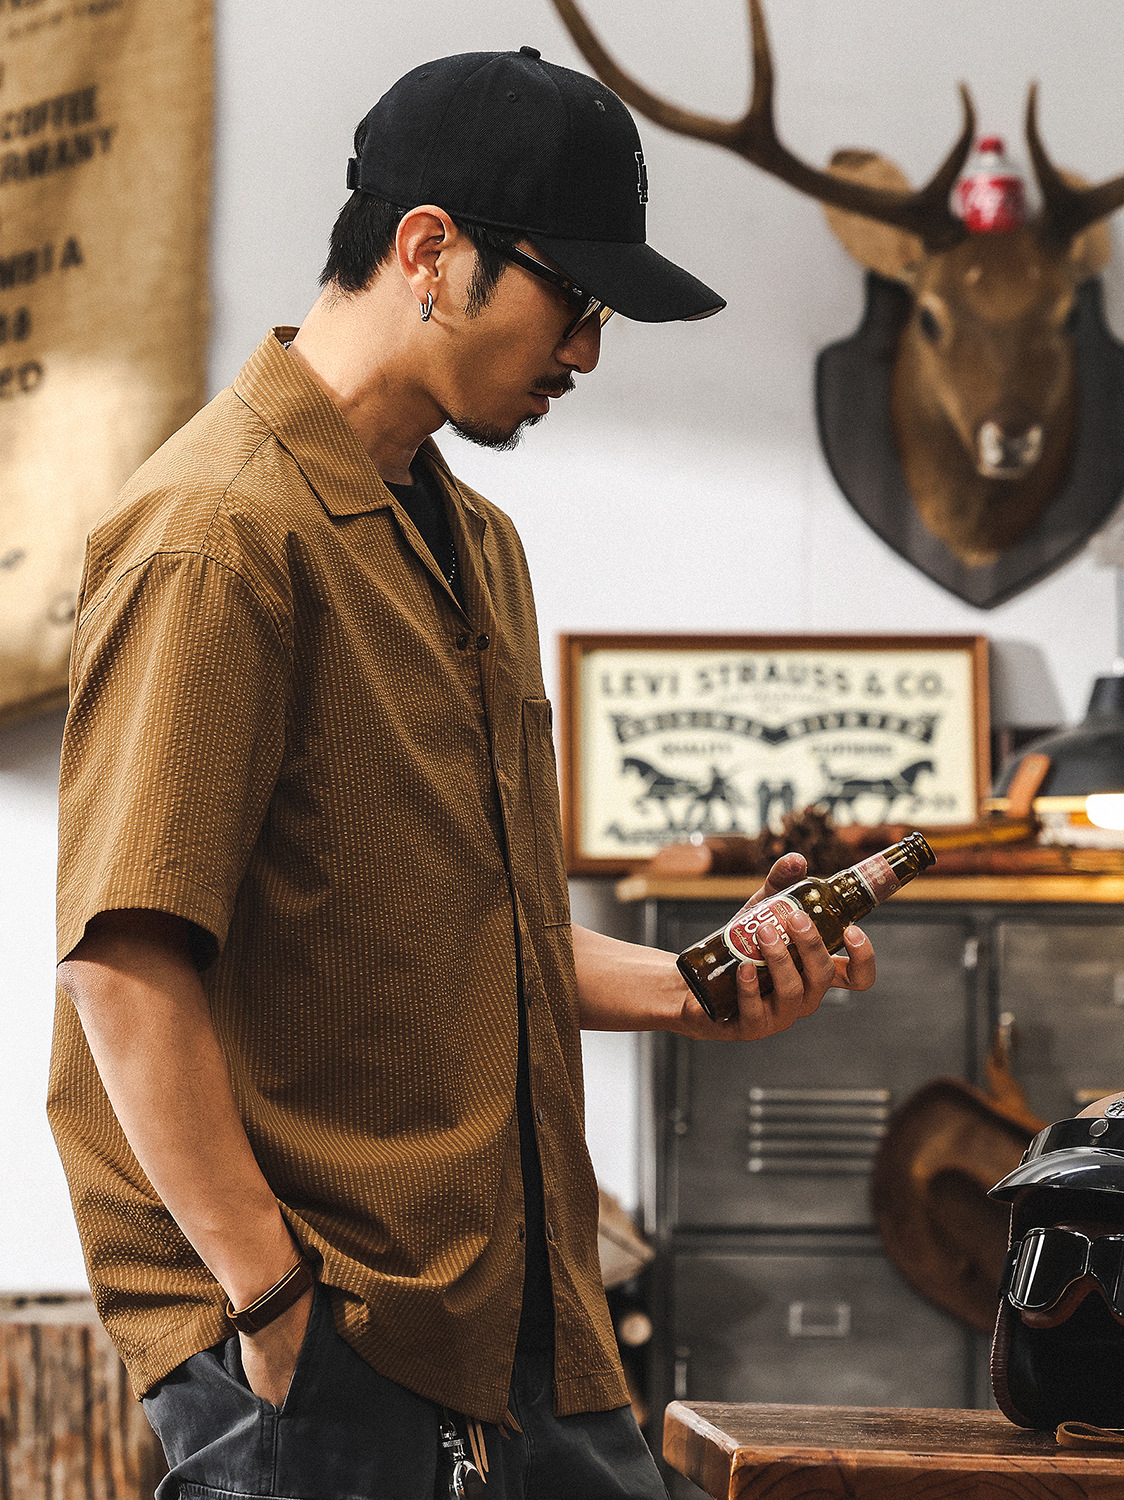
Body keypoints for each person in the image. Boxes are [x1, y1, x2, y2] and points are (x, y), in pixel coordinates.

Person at [50, 46, 877, 1500]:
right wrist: (273, 1308)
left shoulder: (473, 544)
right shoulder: (215, 536)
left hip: (518, 1322)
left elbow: (459, 930)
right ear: (429, 251)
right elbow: (126, 966)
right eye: (577, 300)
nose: (588, 355)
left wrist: (694, 989)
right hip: (329, 1340)